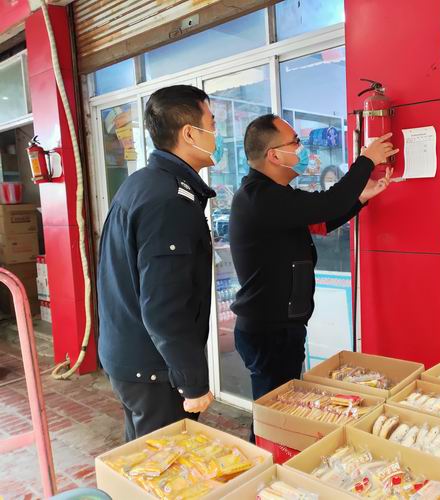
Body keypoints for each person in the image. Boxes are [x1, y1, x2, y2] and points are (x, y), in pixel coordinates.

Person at [229, 113, 396, 442]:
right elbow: (326, 204)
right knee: (273, 418)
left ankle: (270, 457)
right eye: (295, 142)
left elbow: (322, 219)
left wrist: (360, 198)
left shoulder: (273, 195)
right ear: (274, 155)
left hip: (279, 327)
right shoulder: (260, 196)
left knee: (278, 412)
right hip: (268, 331)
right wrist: (366, 160)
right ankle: (264, 464)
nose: (301, 148)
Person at [97, 85, 219, 441]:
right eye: (212, 123)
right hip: (153, 368)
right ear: (190, 133)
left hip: (133, 357)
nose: (216, 133)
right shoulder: (170, 201)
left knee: (142, 456)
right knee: (165, 461)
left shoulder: (145, 183)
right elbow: (165, 307)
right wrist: (193, 382)